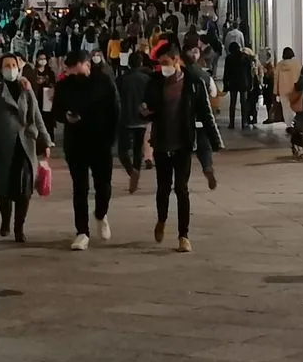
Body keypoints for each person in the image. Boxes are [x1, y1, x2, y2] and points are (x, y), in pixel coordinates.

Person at [141, 46, 223, 251]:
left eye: (165, 63)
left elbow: (206, 113)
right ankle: (161, 220)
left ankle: (183, 235)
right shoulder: (155, 82)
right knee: (163, 188)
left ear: (176, 60)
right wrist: (144, 112)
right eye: (160, 64)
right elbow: (149, 109)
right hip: (161, 142)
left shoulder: (193, 83)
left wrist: (215, 141)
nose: (162, 67)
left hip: (183, 142)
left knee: (181, 189)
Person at [52, 50, 121, 251]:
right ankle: (82, 232)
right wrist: (66, 116)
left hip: (101, 142)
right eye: (69, 69)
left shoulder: (104, 82)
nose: (71, 72)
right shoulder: (64, 85)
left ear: (86, 64)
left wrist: (112, 139)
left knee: (103, 185)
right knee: (80, 188)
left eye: (74, 68)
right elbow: (56, 111)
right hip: (76, 144)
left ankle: (101, 214)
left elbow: (115, 111)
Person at [0, 54, 53, 243]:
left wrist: (45, 141)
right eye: (7, 65)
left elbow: (36, 115)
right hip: (2, 146)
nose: (11, 68)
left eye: (13, 65)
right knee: (3, 188)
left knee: (25, 189)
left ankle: (19, 227)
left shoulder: (26, 89)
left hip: (25, 144)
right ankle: (5, 219)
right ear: (0, 69)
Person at [180, 42, 220, 190]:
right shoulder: (204, 75)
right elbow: (213, 93)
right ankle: (207, 167)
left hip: (184, 122)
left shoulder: (180, 76)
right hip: (201, 120)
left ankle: (183, 180)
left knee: (184, 154)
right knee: (204, 148)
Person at [117, 52, 151, 194]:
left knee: (122, 151)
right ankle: (136, 170)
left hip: (125, 118)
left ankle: (132, 172)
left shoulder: (122, 79)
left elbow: (116, 98)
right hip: (142, 118)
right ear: (141, 63)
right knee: (138, 149)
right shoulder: (147, 79)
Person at [223, 41, 255, 129]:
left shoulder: (229, 58)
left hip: (233, 83)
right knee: (243, 103)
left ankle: (231, 123)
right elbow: (249, 73)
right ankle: (244, 122)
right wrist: (250, 84)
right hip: (243, 83)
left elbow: (226, 73)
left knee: (232, 103)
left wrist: (225, 85)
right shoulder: (245, 57)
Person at [30, 52, 57, 141]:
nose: (42, 61)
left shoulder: (50, 72)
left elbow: (53, 84)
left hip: (48, 96)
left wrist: (48, 83)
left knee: (48, 118)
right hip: (37, 97)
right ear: (37, 60)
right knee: (38, 117)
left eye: (44, 59)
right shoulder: (33, 72)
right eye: (40, 59)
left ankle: (50, 139)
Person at [274, 47, 301, 128]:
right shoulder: (296, 64)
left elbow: (276, 78)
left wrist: (275, 91)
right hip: (294, 90)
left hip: (283, 90)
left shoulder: (279, 65)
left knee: (286, 109)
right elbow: (300, 76)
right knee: (295, 107)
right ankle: (295, 123)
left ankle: (289, 125)